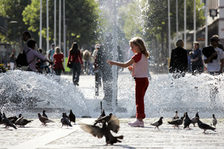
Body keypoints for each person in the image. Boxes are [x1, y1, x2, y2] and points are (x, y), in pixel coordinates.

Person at [107, 37, 149, 127]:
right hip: (144, 80)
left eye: (132, 46)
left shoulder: (137, 56)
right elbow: (141, 68)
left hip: (140, 81)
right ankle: (140, 119)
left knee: (139, 100)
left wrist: (113, 63)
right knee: (140, 100)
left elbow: (125, 64)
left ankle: (139, 120)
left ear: (138, 46)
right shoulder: (144, 55)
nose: (131, 49)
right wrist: (133, 68)